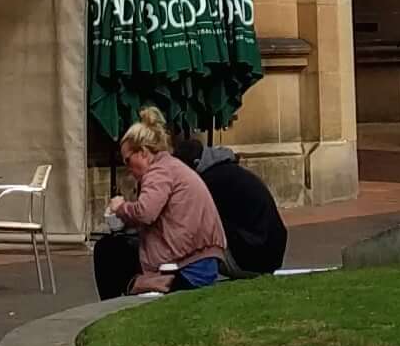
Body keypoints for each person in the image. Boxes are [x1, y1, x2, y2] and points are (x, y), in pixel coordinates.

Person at [107, 120, 225, 293]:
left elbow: (146, 212)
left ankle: (118, 303)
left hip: (189, 266)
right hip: (199, 259)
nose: (128, 168)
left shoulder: (158, 172)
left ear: (143, 152)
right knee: (119, 251)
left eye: (128, 160)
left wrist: (121, 208)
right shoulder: (170, 166)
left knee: (109, 252)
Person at [179, 128, 287, 278]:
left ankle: (189, 276)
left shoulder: (210, 182)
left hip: (254, 257)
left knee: (196, 228)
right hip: (269, 252)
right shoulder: (227, 171)